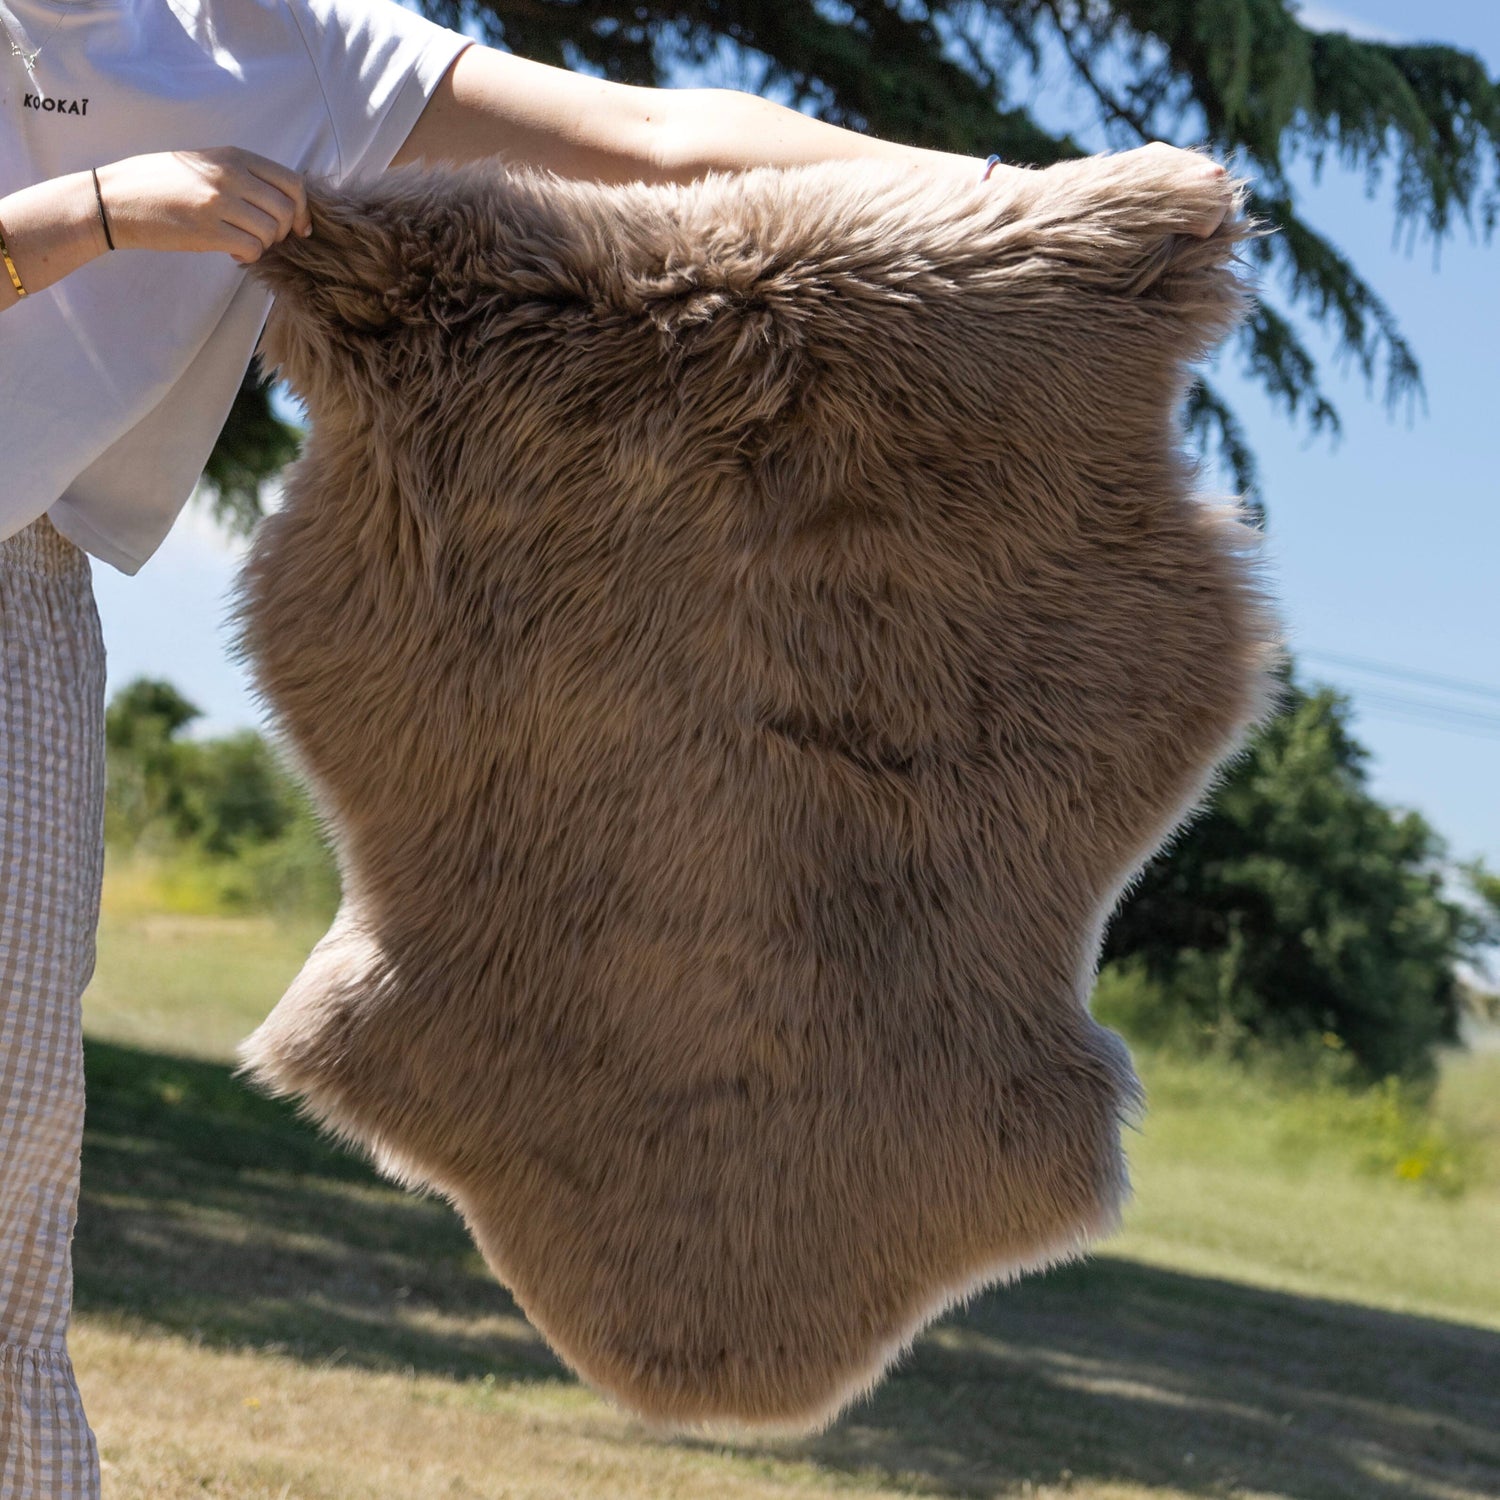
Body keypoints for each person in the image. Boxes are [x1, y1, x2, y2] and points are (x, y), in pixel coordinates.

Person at [0, 0, 1231, 1489]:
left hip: (23, 591)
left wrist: (1028, 208)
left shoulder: (276, 39)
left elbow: (663, 141)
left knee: (11, 1179)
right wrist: (104, 213)